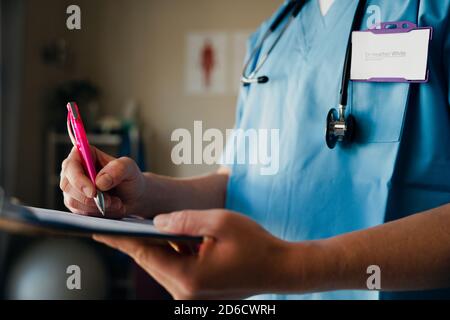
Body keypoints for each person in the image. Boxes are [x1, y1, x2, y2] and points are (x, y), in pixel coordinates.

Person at [60, 0, 450, 300]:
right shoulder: (271, 39)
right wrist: (144, 193)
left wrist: (289, 268)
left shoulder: (434, 12)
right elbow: (238, 181)